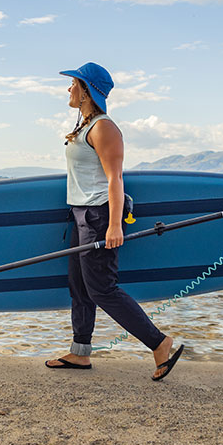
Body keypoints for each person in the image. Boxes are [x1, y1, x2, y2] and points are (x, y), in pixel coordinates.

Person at [45, 62, 184, 381]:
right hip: (80, 213)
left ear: (86, 89)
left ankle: (159, 344)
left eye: (73, 84)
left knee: (102, 289)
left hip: (98, 215)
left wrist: (114, 225)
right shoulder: (85, 126)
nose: (68, 89)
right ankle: (80, 353)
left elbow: (115, 179)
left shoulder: (104, 127)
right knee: (79, 287)